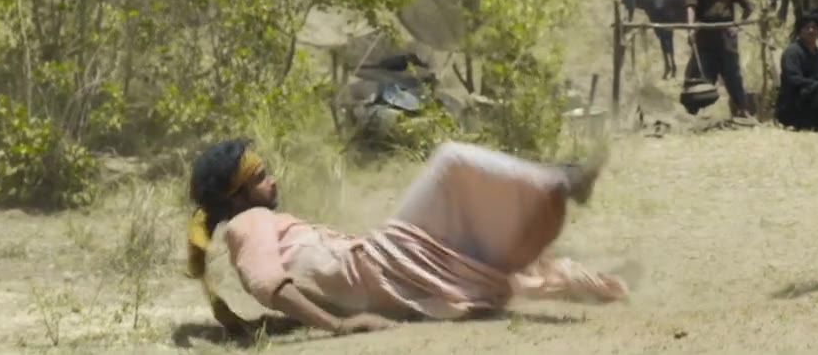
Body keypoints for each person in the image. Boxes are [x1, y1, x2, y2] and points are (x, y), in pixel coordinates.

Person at [185, 138, 629, 338]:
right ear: (237, 196)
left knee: (475, 234)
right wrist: (338, 327)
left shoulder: (252, 224)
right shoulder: (249, 222)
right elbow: (270, 285)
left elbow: (285, 287)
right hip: (384, 260)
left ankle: (586, 262)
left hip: (390, 266)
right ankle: (561, 180)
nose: (273, 181)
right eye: (261, 177)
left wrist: (297, 319)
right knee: (451, 161)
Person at [684, 0, 755, 119]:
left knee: (733, 75)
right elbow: (691, 7)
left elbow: (748, 7)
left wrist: (737, 26)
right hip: (705, 38)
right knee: (699, 75)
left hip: (726, 38)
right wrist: (690, 28)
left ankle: (742, 110)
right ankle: (691, 116)